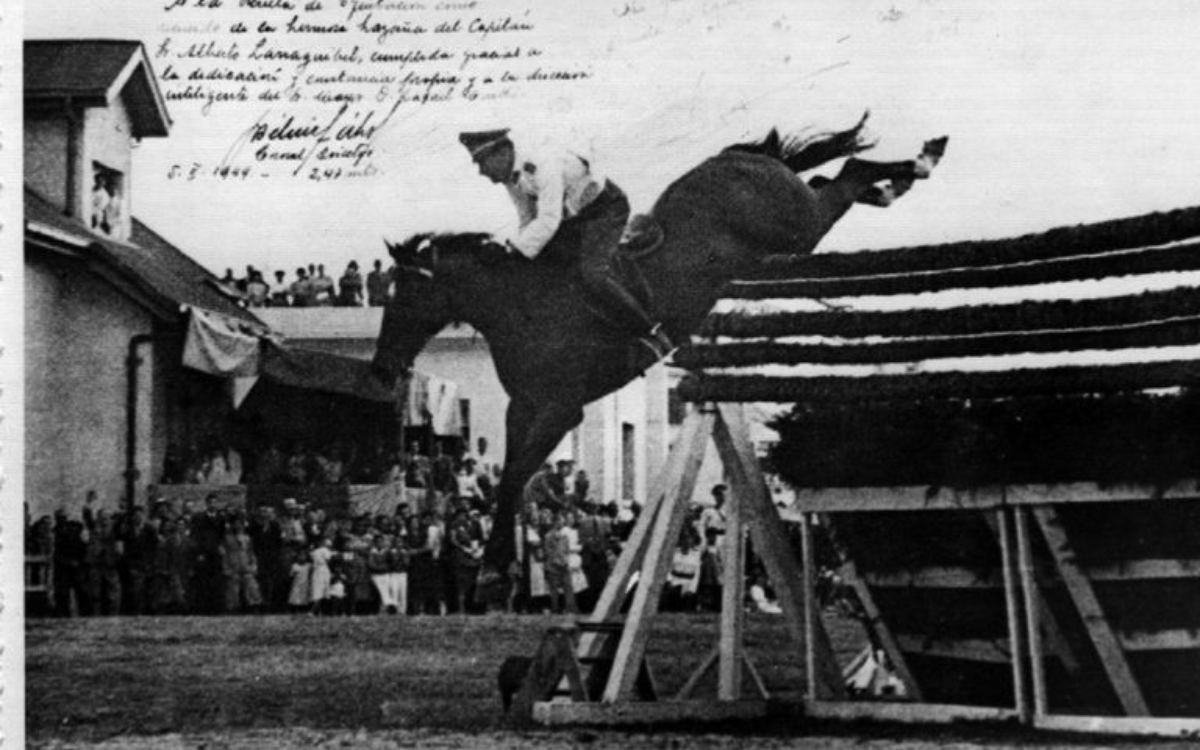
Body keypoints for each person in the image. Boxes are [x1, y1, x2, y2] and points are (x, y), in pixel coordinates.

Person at [459, 128, 673, 358]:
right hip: (574, 217)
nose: (481, 171)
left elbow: (548, 220)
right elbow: (527, 219)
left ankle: (650, 332)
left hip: (605, 210)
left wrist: (514, 248)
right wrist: (514, 253)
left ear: (501, 153)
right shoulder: (511, 177)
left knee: (593, 274)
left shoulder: (541, 164)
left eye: (482, 162)